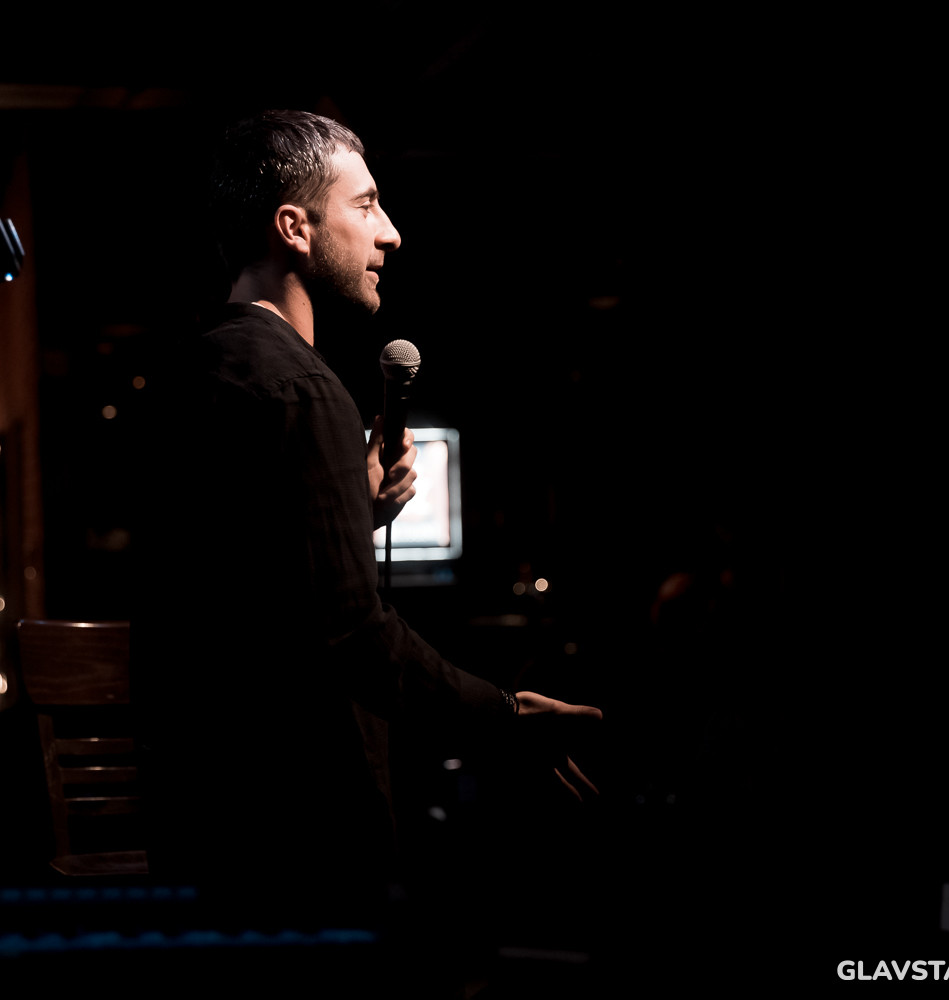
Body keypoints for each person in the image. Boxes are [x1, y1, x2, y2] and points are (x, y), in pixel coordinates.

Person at [133, 110, 600, 914]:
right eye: (366, 205)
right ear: (295, 228)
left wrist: (357, 511)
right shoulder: (303, 391)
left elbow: (249, 590)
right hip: (299, 840)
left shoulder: (193, 372)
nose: (391, 233)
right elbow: (350, 634)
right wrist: (506, 714)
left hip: (201, 817)